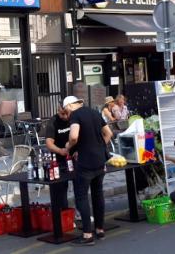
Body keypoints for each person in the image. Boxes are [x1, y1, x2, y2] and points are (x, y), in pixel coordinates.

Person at [63, 96, 112, 246]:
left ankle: (87, 234)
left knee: (82, 196)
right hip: (100, 160)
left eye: (66, 110)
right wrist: (99, 147)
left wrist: (68, 146)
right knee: (98, 194)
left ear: (69, 106)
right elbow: (109, 133)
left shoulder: (75, 115)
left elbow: (74, 136)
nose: (67, 114)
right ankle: (100, 229)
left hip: (85, 162)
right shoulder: (95, 113)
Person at [44, 107, 72, 210]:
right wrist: (60, 151)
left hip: (73, 157)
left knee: (80, 187)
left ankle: (78, 211)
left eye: (66, 114)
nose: (65, 116)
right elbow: (49, 143)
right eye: (62, 114)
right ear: (58, 111)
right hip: (58, 160)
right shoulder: (53, 122)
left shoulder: (74, 119)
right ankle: (61, 212)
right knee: (59, 189)